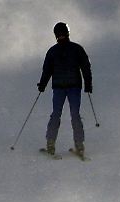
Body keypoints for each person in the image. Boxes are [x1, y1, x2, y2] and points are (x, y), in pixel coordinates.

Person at [38, 22, 92, 157]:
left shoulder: (53, 51)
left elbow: (47, 70)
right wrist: (88, 83)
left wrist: (42, 84)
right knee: (74, 115)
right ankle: (79, 145)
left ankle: (51, 143)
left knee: (56, 114)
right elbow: (85, 67)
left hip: (60, 87)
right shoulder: (76, 48)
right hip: (72, 87)